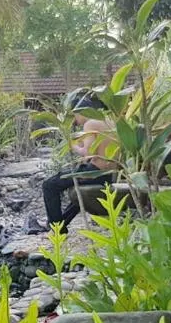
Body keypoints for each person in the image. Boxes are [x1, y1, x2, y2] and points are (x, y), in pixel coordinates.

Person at [41, 91, 116, 233]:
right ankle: (62, 223)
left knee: (49, 185)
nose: (76, 120)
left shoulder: (90, 124)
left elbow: (88, 154)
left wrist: (71, 145)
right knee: (76, 189)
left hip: (95, 172)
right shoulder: (108, 121)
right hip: (109, 173)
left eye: (75, 116)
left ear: (81, 112)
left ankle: (57, 230)